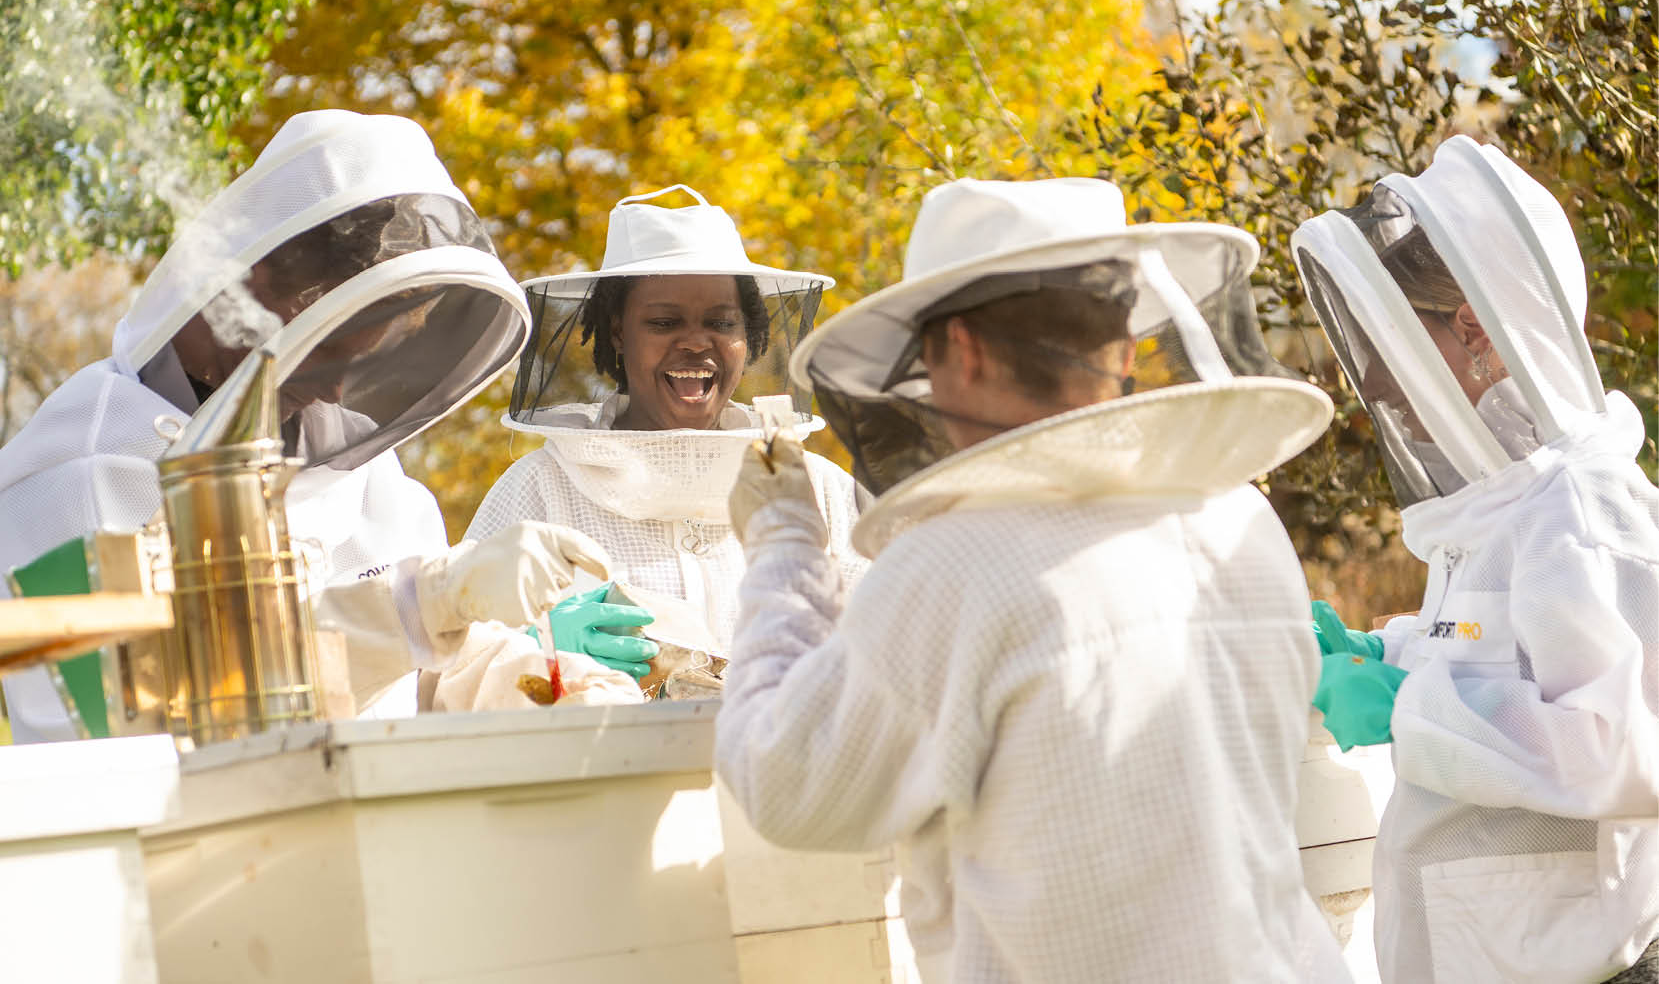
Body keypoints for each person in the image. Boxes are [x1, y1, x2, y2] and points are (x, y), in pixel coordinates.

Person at [715, 176, 1349, 981]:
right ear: (1122, 350)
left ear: (962, 350)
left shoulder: (957, 562)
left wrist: (782, 541)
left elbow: (788, 780)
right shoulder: (1240, 522)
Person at [0, 109, 626, 740]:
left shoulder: (356, 467)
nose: (334, 391)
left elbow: (425, 680)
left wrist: (534, 686)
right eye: (330, 350)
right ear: (251, 286)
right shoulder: (81, 477)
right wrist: (418, 607)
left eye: (366, 362)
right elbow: (149, 720)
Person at [1291, 134, 1659, 983]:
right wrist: (1384, 651)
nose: (1375, 381)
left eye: (1387, 339)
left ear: (1471, 328)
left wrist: (1406, 704)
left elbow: (1622, 748)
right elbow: (1491, 650)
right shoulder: (1500, 507)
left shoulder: (1583, 507)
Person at [462, 185, 867, 683]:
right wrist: (534, 651)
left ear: (747, 337)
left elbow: (895, 648)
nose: (696, 342)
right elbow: (453, 663)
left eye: (721, 322)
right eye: (663, 322)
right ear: (618, 332)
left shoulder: (816, 489)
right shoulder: (539, 488)